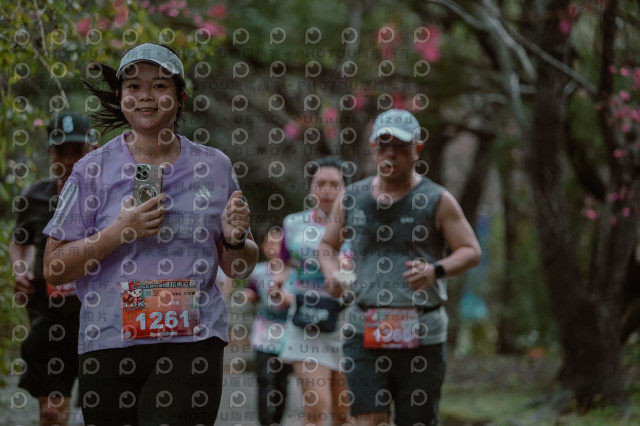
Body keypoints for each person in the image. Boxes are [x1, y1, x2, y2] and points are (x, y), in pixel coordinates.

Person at [42, 43, 259, 425]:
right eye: (134, 86)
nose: (145, 96)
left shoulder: (215, 166)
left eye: (159, 86)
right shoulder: (91, 170)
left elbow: (237, 265)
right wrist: (118, 232)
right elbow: (54, 267)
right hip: (109, 338)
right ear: (120, 96)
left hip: (193, 339)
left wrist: (235, 239)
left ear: (180, 98)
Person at [318, 109, 482, 426]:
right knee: (370, 420)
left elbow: (471, 251)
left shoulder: (437, 199)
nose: (391, 153)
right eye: (384, 145)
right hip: (364, 330)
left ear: (417, 149)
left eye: (401, 146)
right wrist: (331, 273)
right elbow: (327, 245)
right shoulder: (352, 198)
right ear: (373, 148)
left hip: (422, 333)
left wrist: (435, 270)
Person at [9, 111, 96, 426]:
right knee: (51, 413)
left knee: (102, 413)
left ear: (93, 150)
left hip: (98, 323)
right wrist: (20, 268)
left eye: (77, 151)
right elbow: (18, 240)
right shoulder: (34, 197)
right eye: (61, 152)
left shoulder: (109, 197)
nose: (69, 160)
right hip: (49, 320)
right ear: (50, 153)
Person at [276, 156, 352, 426]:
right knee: (318, 407)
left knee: (345, 416)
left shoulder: (358, 226)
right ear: (311, 187)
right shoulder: (293, 224)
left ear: (345, 189)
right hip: (306, 322)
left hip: (347, 325)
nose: (327, 190)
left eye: (335, 184)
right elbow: (283, 265)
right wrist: (277, 287)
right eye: (321, 184)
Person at [241, 226, 294, 426]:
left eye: (279, 242)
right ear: (263, 247)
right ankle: (265, 421)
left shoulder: (294, 272)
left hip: (288, 335)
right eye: (270, 243)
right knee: (264, 379)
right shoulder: (259, 271)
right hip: (263, 334)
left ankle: (277, 420)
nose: (274, 247)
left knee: (281, 382)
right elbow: (252, 293)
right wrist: (246, 296)